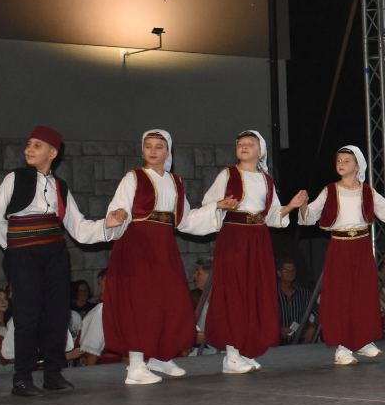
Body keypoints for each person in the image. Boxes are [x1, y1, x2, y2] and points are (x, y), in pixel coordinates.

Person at [0, 125, 122, 397]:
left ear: (52, 153)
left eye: (37, 145)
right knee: (27, 315)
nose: (29, 149)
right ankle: (22, 378)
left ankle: (53, 373)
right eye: (28, 144)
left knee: (57, 314)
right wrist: (13, 246)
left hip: (55, 254)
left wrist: (107, 225)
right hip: (24, 254)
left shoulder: (60, 186)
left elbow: (78, 227)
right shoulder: (15, 178)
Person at [183, 130, 307, 374]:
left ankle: (244, 350)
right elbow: (209, 204)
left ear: (260, 151)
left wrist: (291, 206)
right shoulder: (228, 174)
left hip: (258, 240)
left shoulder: (266, 180)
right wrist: (220, 205)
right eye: (240, 143)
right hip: (235, 237)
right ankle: (231, 355)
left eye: (250, 143)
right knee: (234, 292)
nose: (244, 146)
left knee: (254, 292)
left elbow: (272, 216)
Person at [103, 130, 206, 385]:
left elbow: (184, 219)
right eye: (148, 146)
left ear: (168, 151)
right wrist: (119, 215)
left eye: (159, 146)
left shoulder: (175, 181)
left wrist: (217, 209)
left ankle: (161, 356)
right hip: (137, 245)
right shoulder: (133, 177)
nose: (152, 151)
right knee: (141, 304)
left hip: (164, 246)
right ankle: (136, 365)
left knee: (171, 300)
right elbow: (119, 207)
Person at [299, 145, 385, 365]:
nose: (341, 164)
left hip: (361, 246)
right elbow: (310, 215)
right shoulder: (330, 190)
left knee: (363, 293)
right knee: (341, 295)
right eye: (339, 160)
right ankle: (342, 347)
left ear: (358, 166)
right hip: (340, 247)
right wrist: (303, 205)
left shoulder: (367, 191)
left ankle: (362, 341)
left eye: (346, 161)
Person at [276, 261, 311, 344]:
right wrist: (277, 330)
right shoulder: (271, 295)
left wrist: (312, 328)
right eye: (286, 270)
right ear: (279, 273)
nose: (290, 273)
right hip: (277, 343)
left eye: (293, 270)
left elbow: (316, 313)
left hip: (300, 343)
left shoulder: (304, 293)